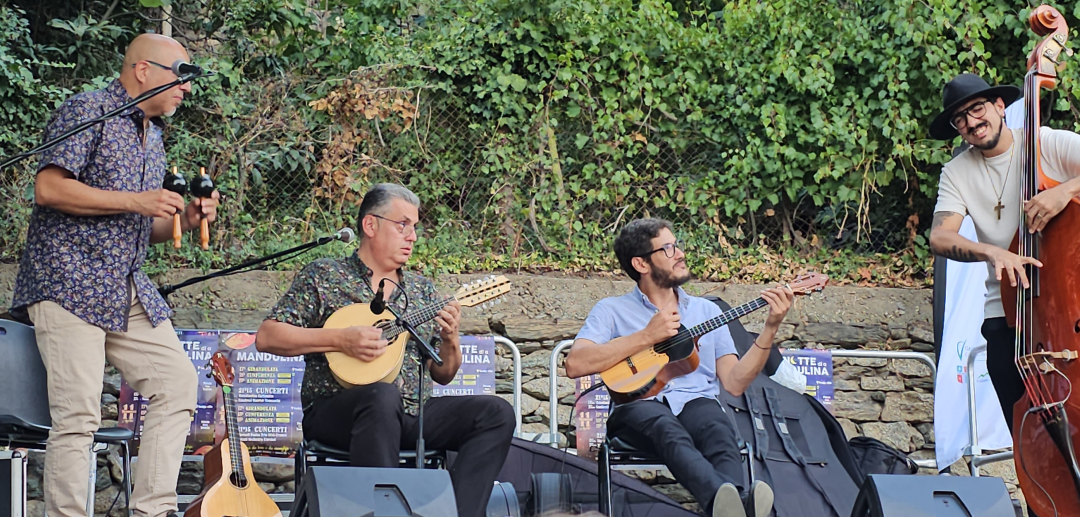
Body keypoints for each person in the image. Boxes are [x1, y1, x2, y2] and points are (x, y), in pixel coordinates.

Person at [11, 33, 220, 517]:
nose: (187, 89)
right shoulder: (88, 111)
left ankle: (152, 509)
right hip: (68, 280)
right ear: (142, 71)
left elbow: (143, 226)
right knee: (79, 414)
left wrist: (185, 220)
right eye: (181, 75)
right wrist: (137, 202)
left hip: (124, 285)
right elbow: (48, 187)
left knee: (176, 383)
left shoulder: (154, 136)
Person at [256, 182, 515, 517]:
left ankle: (458, 513)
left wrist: (451, 337)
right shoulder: (325, 275)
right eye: (403, 224)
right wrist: (340, 340)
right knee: (380, 396)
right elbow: (268, 336)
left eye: (415, 227)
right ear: (370, 225)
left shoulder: (421, 290)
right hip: (338, 413)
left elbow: (443, 373)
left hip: (410, 414)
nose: (412, 236)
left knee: (496, 413)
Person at [927, 73, 1080, 431]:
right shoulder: (956, 171)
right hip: (1008, 314)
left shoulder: (1044, 143)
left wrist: (1066, 191)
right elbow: (940, 236)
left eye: (977, 109)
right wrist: (992, 253)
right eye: (960, 119)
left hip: (1069, 310)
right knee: (1028, 435)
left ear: (1000, 106)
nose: (971, 122)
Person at [565, 218, 794, 517]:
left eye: (678, 245)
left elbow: (735, 382)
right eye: (669, 248)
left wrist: (770, 327)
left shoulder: (707, 311)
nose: (680, 253)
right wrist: (646, 336)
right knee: (666, 428)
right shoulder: (611, 310)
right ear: (641, 263)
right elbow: (575, 363)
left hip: (696, 401)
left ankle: (729, 506)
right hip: (636, 406)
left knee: (718, 430)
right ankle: (733, 502)